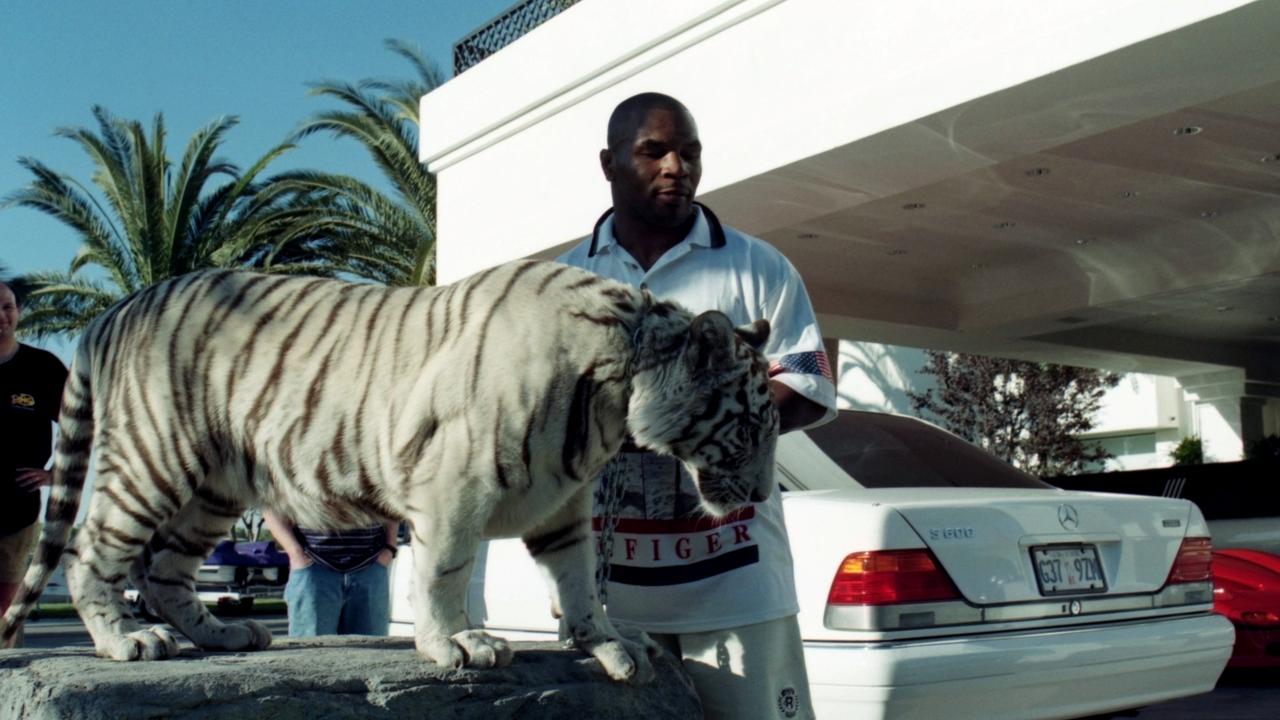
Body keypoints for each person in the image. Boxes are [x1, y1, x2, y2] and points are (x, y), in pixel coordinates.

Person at [558, 93, 836, 720]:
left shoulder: (757, 265)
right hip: (612, 600)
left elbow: (810, 385)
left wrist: (701, 423)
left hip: (738, 583)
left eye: (689, 152)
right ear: (609, 164)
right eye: (653, 151)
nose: (675, 166)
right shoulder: (570, 278)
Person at [0, 281, 69, 645]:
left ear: (18, 312)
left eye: (8, 307)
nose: (1, 316)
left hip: (15, 513)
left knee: (5, 608)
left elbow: (87, 427)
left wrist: (55, 474)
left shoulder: (42, 368)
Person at [262, 510, 398, 637]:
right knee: (311, 654)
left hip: (370, 568)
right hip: (313, 571)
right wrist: (296, 553)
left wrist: (390, 547)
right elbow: (270, 504)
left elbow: (392, 495)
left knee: (372, 654)